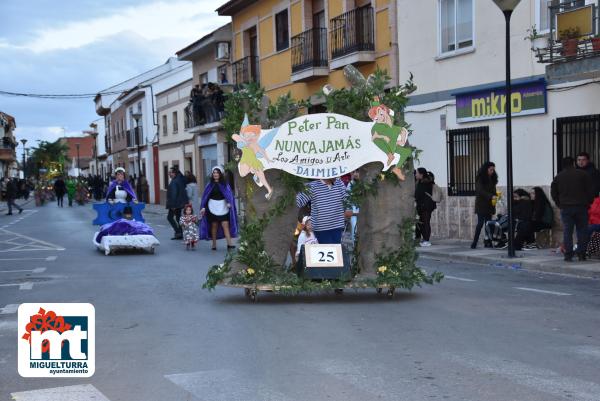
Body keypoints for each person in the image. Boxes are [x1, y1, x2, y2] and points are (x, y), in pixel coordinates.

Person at [551, 157, 595, 261]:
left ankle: (568, 254)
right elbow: (591, 190)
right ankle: (581, 253)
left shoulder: (558, 177)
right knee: (582, 231)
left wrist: (559, 203)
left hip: (566, 207)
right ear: (574, 163)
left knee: (567, 231)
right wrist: (588, 202)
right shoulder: (583, 174)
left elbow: (553, 193)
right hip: (581, 207)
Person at [368, 98, 412, 180]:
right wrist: (383, 137)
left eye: (381, 115)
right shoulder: (376, 127)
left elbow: (389, 113)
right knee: (379, 139)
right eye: (376, 119)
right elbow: (374, 138)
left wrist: (377, 103)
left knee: (406, 151)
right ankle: (390, 155)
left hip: (393, 138)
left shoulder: (389, 118)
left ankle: (397, 168)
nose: (380, 118)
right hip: (389, 145)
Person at [296, 178, 351, 244]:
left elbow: (347, 198)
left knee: (335, 249)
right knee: (325, 248)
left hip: (337, 226)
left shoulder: (339, 183)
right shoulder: (312, 186)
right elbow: (299, 201)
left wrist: (348, 208)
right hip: (320, 228)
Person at [199, 166, 238, 250]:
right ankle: (214, 244)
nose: (215, 174)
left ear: (220, 174)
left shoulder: (225, 185)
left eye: (217, 173)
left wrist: (229, 202)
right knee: (214, 226)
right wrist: (203, 207)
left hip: (223, 207)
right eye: (214, 173)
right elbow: (205, 197)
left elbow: (229, 196)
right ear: (212, 174)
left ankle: (229, 244)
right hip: (212, 207)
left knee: (225, 225)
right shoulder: (209, 185)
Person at [471, 162, 498, 249]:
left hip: (490, 204)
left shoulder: (493, 178)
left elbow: (493, 190)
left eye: (493, 170)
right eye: (491, 170)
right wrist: (491, 196)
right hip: (481, 204)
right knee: (480, 223)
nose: (492, 171)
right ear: (486, 169)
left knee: (488, 224)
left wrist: (496, 196)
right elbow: (480, 190)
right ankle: (474, 242)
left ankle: (487, 242)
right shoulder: (480, 178)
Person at [415, 168, 436, 247]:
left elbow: (419, 194)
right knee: (420, 223)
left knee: (425, 222)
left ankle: (426, 240)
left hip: (426, 206)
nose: (415, 174)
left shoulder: (427, 183)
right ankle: (419, 239)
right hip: (421, 206)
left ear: (421, 174)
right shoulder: (420, 182)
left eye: (417, 173)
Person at [166, 166, 188, 240]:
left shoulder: (175, 181)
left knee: (169, 217)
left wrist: (173, 205)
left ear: (174, 173)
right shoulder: (179, 179)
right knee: (178, 218)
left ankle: (178, 232)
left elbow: (174, 194)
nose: (169, 174)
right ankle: (180, 233)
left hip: (175, 203)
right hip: (179, 203)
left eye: (170, 173)